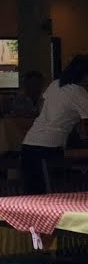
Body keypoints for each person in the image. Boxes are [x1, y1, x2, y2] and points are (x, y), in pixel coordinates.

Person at [19, 55, 88, 194]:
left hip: (30, 142)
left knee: (33, 194)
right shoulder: (79, 93)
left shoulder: (55, 84)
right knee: (50, 194)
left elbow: (42, 108)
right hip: (49, 146)